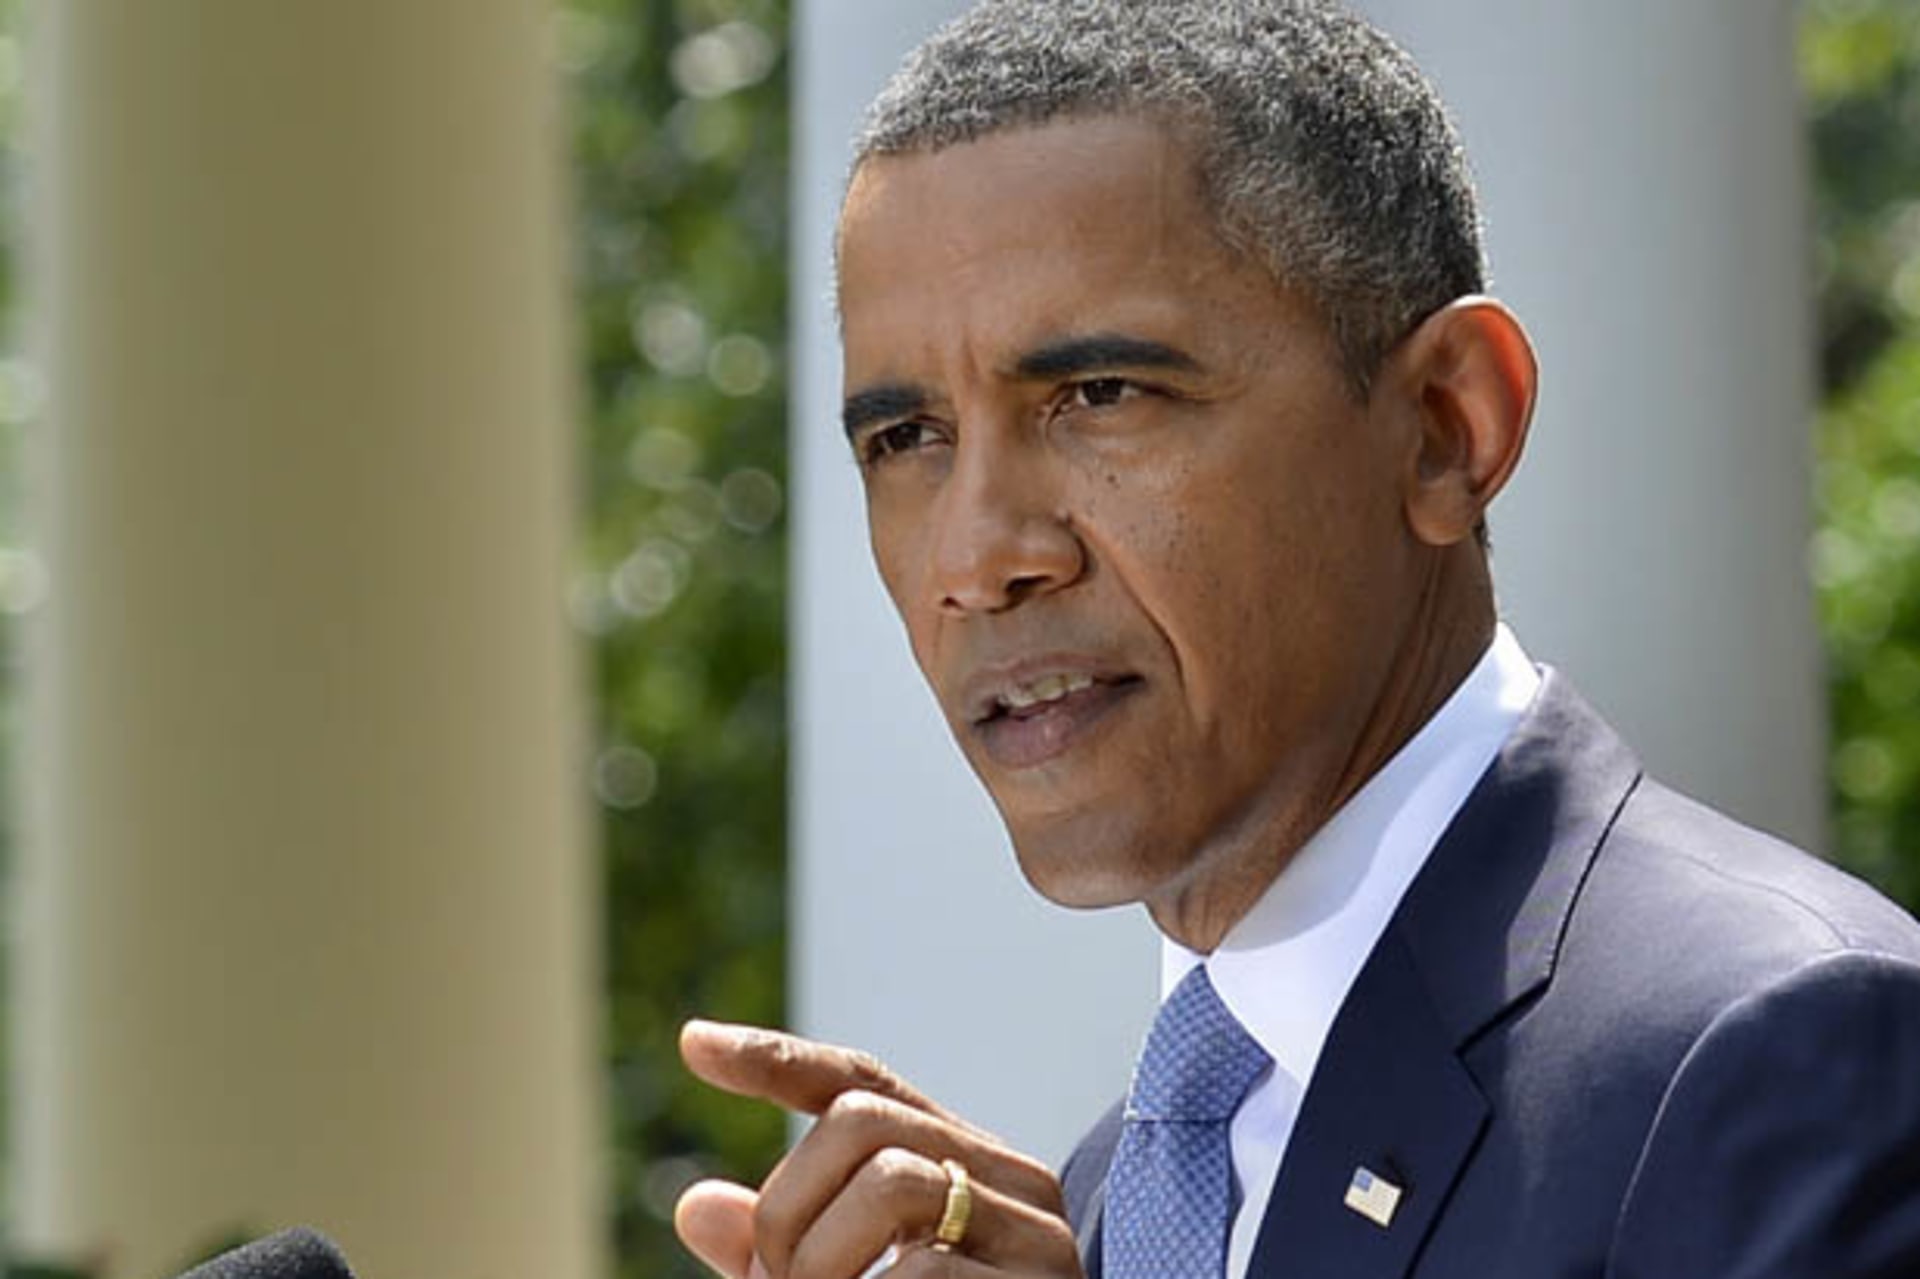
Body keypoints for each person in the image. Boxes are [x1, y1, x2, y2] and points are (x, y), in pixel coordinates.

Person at [674, 1, 1920, 1275]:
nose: (978, 559)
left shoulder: (1776, 1052)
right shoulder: (1106, 1195)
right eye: (906, 439)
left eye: (1101, 394)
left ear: (1446, 426)